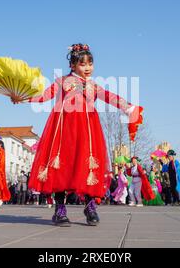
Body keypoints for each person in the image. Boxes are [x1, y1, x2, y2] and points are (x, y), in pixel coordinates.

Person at [18, 43, 142, 227]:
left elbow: (109, 96)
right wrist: (23, 97)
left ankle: (90, 206)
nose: (88, 67)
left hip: (88, 131)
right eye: (83, 64)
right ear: (73, 65)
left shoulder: (93, 85)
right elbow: (44, 96)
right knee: (62, 167)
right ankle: (60, 209)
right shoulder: (62, 81)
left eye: (91, 63)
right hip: (63, 130)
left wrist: (127, 107)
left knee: (87, 165)